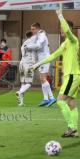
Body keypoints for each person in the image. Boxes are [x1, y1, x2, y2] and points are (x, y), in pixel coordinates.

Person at [30, 9, 80, 137]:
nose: (61, 31)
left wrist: (60, 15)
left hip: (72, 76)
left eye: (63, 28)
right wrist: (37, 64)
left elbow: (68, 31)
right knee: (71, 103)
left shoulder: (73, 40)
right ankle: (74, 129)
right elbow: (52, 56)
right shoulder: (65, 44)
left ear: (68, 28)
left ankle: (71, 128)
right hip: (73, 76)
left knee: (60, 100)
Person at [26, 22, 56, 107]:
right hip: (41, 60)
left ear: (38, 28)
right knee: (42, 78)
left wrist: (28, 47)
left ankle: (52, 98)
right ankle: (46, 99)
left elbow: (38, 46)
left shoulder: (42, 35)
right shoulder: (38, 35)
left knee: (43, 78)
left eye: (33, 29)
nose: (32, 30)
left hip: (45, 59)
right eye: (31, 29)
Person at [16, 31, 38, 106]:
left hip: (22, 63)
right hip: (28, 64)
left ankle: (21, 102)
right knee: (29, 83)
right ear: (32, 36)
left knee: (23, 83)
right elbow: (33, 54)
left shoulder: (24, 43)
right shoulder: (32, 44)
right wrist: (35, 64)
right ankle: (19, 92)